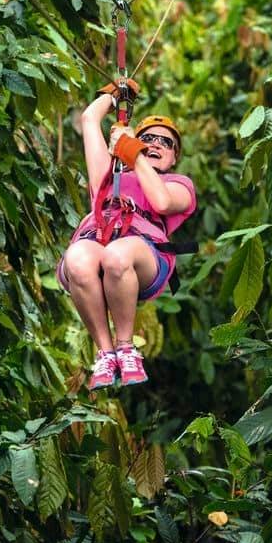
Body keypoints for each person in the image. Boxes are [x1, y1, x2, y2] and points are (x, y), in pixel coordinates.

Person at [58, 83, 197, 388]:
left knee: (117, 255)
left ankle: (126, 347)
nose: (157, 144)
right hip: (99, 241)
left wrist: (135, 152)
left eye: (166, 142)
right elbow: (89, 119)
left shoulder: (179, 183)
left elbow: (161, 202)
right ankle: (106, 353)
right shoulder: (110, 178)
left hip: (142, 256)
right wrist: (114, 95)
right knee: (77, 259)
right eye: (149, 139)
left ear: (173, 158)